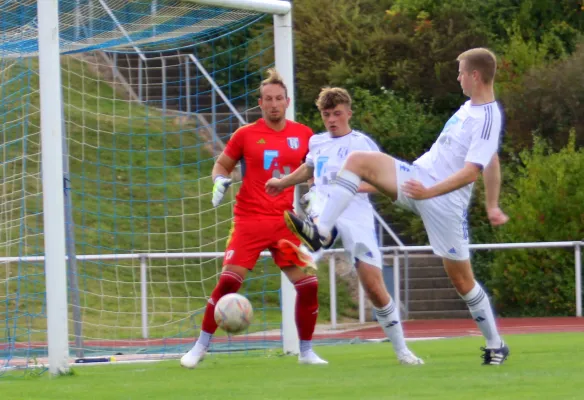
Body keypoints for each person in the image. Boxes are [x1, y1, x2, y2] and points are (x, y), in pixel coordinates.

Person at [284, 48, 511, 366]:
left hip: (442, 202)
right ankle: (321, 231)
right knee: (357, 161)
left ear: (475, 75)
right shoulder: (468, 109)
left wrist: (464, 199)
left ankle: (495, 343)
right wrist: (492, 203)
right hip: (417, 180)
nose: (457, 77)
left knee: (462, 281)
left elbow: (476, 168)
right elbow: (492, 156)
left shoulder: (488, 116)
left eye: (460, 72)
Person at [181, 68, 327, 368]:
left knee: (308, 284)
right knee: (228, 284)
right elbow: (222, 165)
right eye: (267, 99)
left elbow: (313, 170)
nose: (273, 104)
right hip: (248, 221)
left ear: (287, 102)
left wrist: (314, 192)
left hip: (285, 224)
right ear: (260, 104)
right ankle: (199, 347)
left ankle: (307, 351)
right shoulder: (245, 134)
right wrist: (220, 181)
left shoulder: (304, 135)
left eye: (278, 99)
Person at [266, 87, 423, 365]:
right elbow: (308, 170)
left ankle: (402, 351)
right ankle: (305, 350)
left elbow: (380, 181)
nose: (332, 120)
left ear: (349, 113)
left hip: (356, 214)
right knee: (304, 270)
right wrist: (282, 182)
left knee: (374, 287)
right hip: (322, 208)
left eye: (337, 113)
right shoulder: (317, 142)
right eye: (326, 115)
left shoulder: (363, 144)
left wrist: (350, 188)